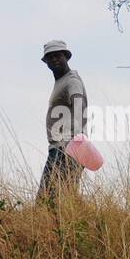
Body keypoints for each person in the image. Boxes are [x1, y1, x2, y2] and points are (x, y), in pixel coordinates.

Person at [38, 39, 87, 202]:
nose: (54, 60)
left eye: (57, 56)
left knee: (48, 200)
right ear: (45, 62)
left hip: (66, 147)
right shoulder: (61, 81)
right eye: (50, 57)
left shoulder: (71, 80)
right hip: (61, 147)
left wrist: (72, 142)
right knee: (62, 199)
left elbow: (79, 105)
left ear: (66, 56)